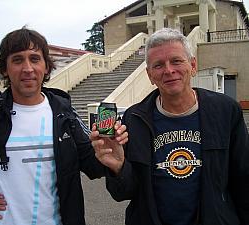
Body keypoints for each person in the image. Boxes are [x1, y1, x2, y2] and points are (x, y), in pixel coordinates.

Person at [0, 27, 127, 225]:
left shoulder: (64, 113)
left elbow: (91, 165)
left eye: (34, 59)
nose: (27, 68)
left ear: (46, 66)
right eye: (17, 60)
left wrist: (109, 153)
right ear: (4, 69)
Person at [91, 28, 249, 225]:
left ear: (192, 65)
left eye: (176, 61)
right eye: (158, 65)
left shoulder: (226, 111)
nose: (168, 70)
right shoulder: (134, 119)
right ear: (149, 75)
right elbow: (124, 193)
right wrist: (118, 167)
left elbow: (243, 180)